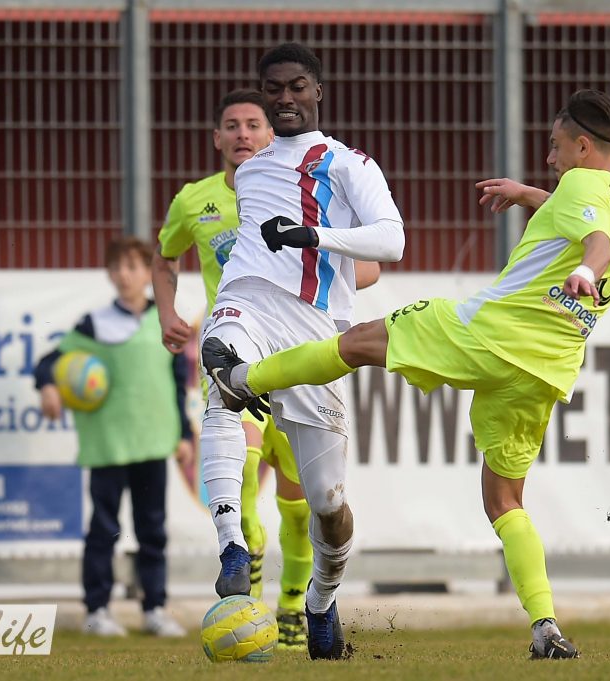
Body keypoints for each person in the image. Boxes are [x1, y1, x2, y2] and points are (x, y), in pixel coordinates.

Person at [204, 89, 610, 660]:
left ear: (583, 146)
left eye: (556, 146)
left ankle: (245, 379)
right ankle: (545, 626)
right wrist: (528, 195)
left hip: (492, 335)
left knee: (357, 343)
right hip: (548, 367)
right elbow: (591, 216)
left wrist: (586, 268)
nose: (550, 158)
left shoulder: (582, 188)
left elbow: (596, 240)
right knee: (504, 501)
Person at [151, 88, 381, 650]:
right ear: (217, 137)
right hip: (237, 339)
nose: (243, 134)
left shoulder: (308, 185)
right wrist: (168, 314)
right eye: (231, 125)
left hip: (301, 349)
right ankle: (240, 585)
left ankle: (300, 608)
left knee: (311, 508)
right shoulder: (195, 201)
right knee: (240, 460)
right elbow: (165, 256)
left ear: (271, 133)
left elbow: (371, 266)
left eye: (252, 124)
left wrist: (316, 267)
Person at [195, 43, 405, 660]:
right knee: (221, 375)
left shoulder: (347, 162)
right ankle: (233, 548)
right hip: (249, 301)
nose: (284, 98)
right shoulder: (252, 170)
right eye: (273, 88)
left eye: (296, 87)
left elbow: (392, 241)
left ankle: (320, 602)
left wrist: (314, 236)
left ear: (318, 92)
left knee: (328, 507)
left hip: (315, 330)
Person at [35, 236, 190, 638]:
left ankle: (154, 609)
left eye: (133, 266)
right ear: (108, 273)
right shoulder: (94, 324)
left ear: (149, 273)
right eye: (117, 267)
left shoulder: (166, 322)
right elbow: (48, 363)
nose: (124, 275)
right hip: (108, 444)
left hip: (153, 443)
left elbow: (178, 383)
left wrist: (185, 434)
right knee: (104, 530)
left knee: (152, 530)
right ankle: (97, 610)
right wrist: (48, 387)